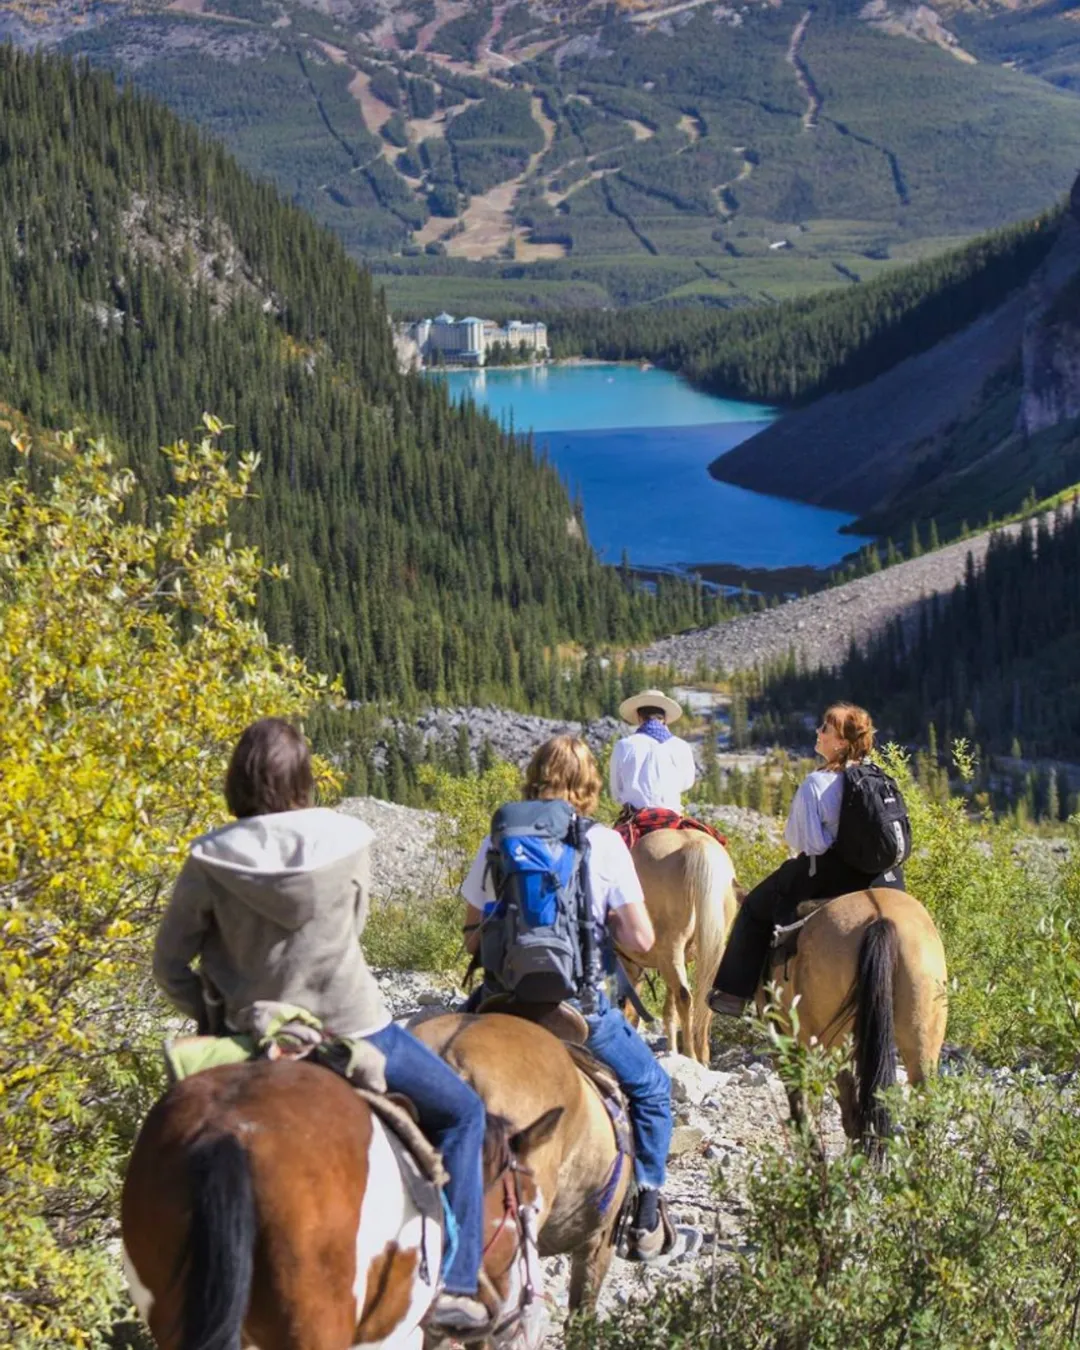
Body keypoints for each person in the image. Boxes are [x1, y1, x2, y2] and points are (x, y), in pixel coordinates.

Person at [152, 717, 492, 1337]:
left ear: (237, 780)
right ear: (304, 779)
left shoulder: (209, 856)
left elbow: (170, 964)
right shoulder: (347, 839)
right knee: (464, 1114)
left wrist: (211, 1012)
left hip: (252, 1034)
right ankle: (458, 1283)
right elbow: (353, 927)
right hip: (354, 1029)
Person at [460, 735, 675, 1261]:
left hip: (503, 1000)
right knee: (652, 1088)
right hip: (579, 1007)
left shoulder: (498, 839)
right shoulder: (604, 843)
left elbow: (470, 937)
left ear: (535, 775)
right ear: (590, 785)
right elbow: (641, 939)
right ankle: (645, 1214)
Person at [708, 702, 905, 1016]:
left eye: (825, 728)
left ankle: (733, 994)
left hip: (831, 876)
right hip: (886, 879)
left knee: (755, 907)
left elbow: (808, 843)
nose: (818, 732)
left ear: (840, 743)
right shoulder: (881, 778)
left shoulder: (817, 783)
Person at [609, 688, 696, 814]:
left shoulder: (624, 745)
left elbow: (616, 790)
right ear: (664, 718)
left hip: (635, 815)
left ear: (639, 717)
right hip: (671, 814)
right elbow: (687, 783)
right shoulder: (681, 746)